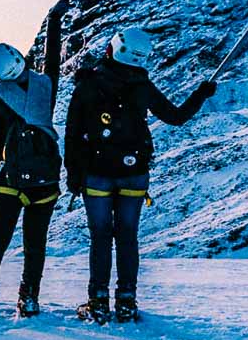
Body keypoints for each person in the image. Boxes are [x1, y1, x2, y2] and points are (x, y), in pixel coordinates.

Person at [64, 27, 217, 323]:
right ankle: (126, 301)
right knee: (127, 237)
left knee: (100, 237)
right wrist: (201, 94)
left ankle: (97, 301)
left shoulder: (88, 84)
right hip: (134, 173)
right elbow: (176, 117)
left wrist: (73, 174)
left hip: (96, 174)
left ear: (112, 49)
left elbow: (72, 133)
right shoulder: (141, 86)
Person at [0, 0, 69, 322]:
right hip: (45, 180)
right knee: (35, 242)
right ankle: (29, 298)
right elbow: (53, 57)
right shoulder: (45, 84)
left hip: (9, 180)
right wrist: (54, 20)